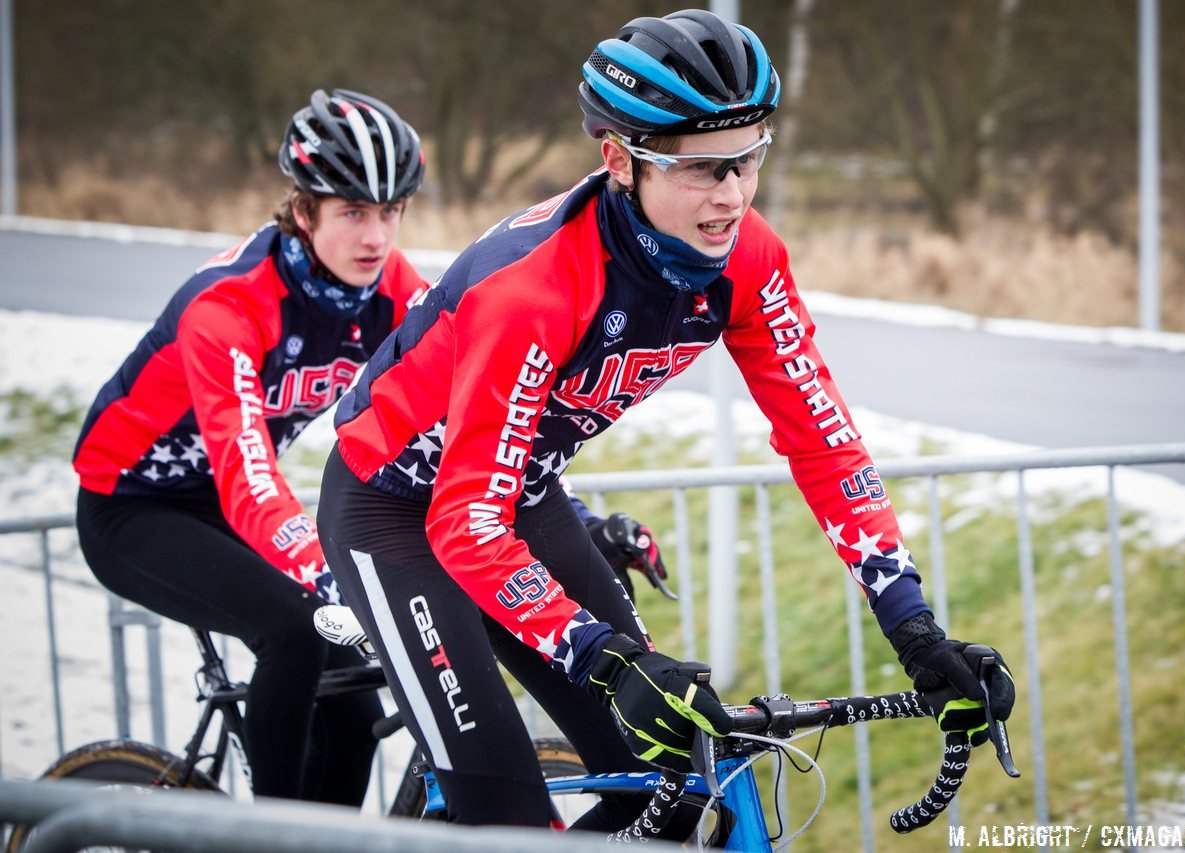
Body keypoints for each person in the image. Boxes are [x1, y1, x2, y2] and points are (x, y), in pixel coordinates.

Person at [316, 8, 1015, 832]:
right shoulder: (531, 292)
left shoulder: (749, 259)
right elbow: (464, 522)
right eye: (702, 168)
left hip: (516, 497)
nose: (731, 195)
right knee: (500, 807)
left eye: (748, 158)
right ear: (619, 160)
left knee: (681, 777)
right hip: (393, 512)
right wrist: (601, 657)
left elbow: (824, 441)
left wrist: (912, 622)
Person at [72, 88, 430, 806]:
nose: (375, 236)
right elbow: (248, 474)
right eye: (353, 212)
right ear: (303, 212)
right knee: (296, 631)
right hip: (134, 508)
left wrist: (556, 521)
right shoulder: (228, 306)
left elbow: (463, 413)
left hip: (230, 510)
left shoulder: (390, 291)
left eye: (389, 212)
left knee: (354, 707)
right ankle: (263, 834)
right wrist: (326, 572)